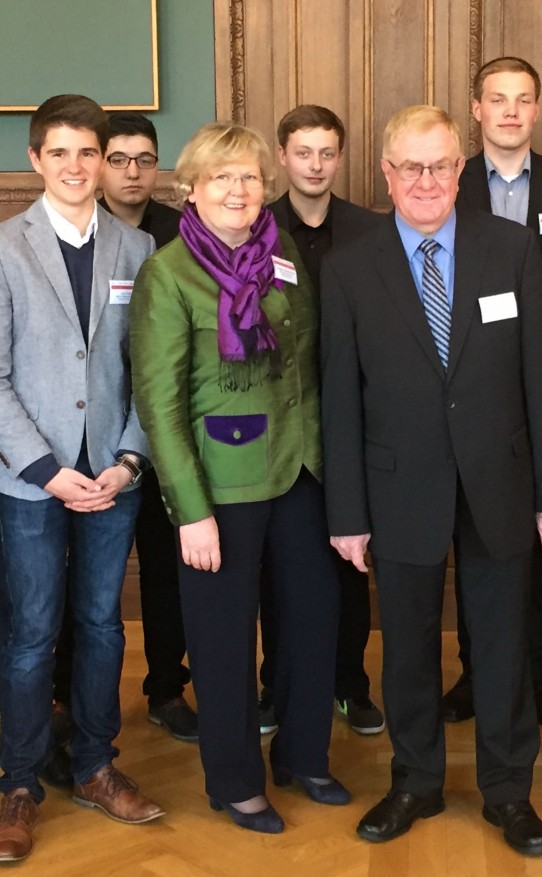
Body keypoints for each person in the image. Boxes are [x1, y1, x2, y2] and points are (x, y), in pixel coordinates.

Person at [321, 105, 542, 857]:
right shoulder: (349, 266)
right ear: (387, 174)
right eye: (411, 167)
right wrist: (346, 513)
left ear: (460, 171)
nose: (426, 181)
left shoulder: (512, 248)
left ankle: (508, 791)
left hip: (501, 481)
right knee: (405, 648)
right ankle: (415, 781)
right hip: (397, 487)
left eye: (440, 166)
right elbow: (340, 398)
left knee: (502, 645)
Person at [129, 122, 345, 835]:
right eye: (222, 177)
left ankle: (304, 754)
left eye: (250, 176)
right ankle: (234, 779)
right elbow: (159, 405)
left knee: (313, 620)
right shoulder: (168, 273)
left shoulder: (279, 255)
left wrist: (328, 465)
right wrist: (188, 509)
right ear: (191, 189)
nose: (238, 189)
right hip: (219, 485)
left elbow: (309, 363)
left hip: (299, 471)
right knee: (223, 638)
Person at [0, 94, 163, 864]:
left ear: (105, 161)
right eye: (58, 152)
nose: (75, 166)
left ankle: (96, 762)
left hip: (112, 480)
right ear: (36, 160)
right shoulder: (5, 249)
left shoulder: (137, 252)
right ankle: (20, 781)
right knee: (32, 634)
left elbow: (150, 374)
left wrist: (128, 459)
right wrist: (47, 470)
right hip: (31, 483)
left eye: (87, 152)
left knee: (102, 625)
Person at [441, 56, 542, 730]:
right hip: (467, 396)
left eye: (522, 99)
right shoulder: (448, 184)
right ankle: (477, 675)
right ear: (475, 109)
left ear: (537, 110)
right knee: (472, 536)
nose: (510, 111)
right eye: (496, 99)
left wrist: (536, 357)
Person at [51, 111, 196, 747]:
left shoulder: (179, 234)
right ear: (99, 165)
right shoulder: (77, 237)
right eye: (119, 159)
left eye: (145, 159)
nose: (133, 171)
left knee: (166, 573)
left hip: (160, 438)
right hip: (79, 447)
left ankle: (166, 688)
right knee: (73, 586)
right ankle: (64, 701)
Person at [258, 104, 384, 737]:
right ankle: (275, 685)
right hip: (280, 423)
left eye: (326, 153)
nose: (314, 164)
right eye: (302, 152)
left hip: (356, 417)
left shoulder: (370, 229)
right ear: (283, 156)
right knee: (281, 563)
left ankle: (349, 684)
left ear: (341, 157)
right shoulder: (252, 227)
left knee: (350, 558)